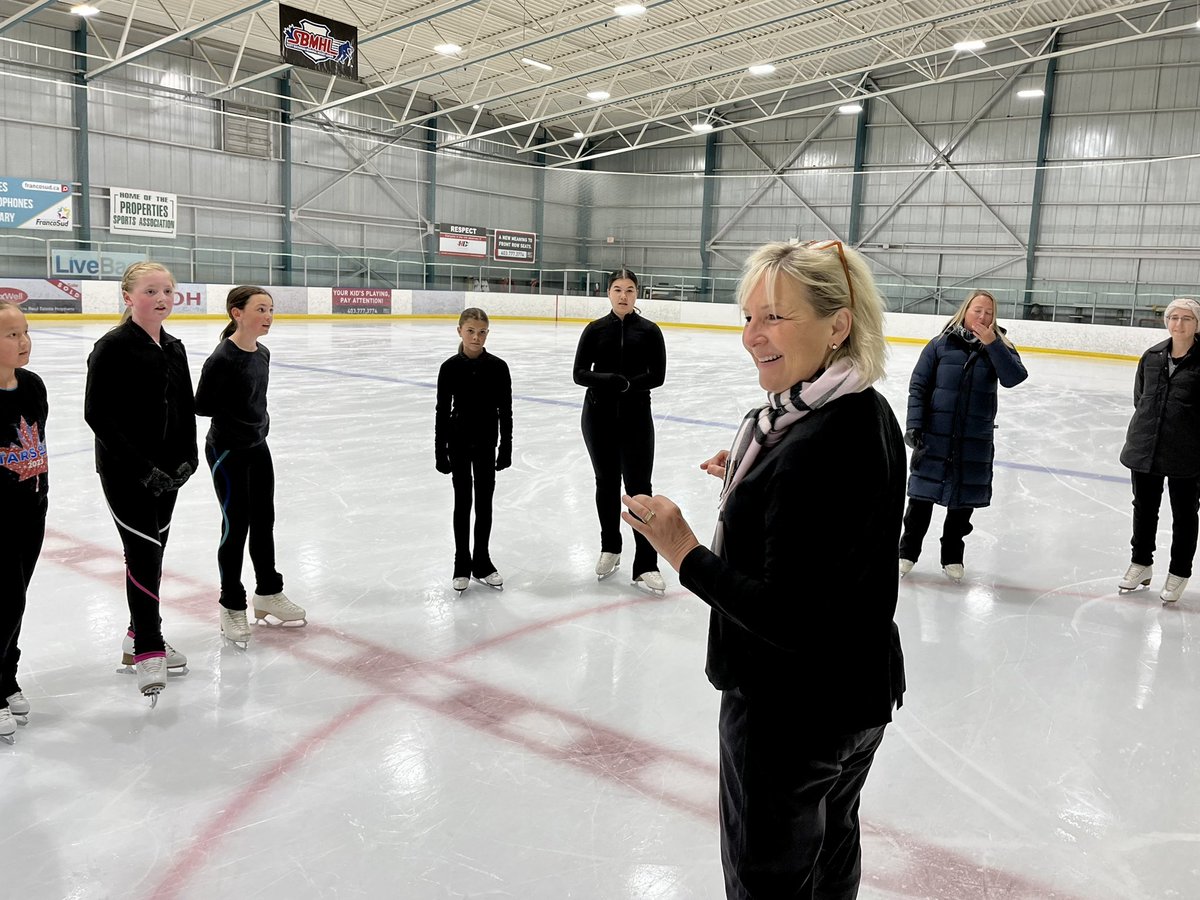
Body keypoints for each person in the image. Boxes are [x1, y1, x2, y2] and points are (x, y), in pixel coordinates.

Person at [619, 240, 906, 899]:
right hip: (855, 697)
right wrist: (757, 484)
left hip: (789, 714)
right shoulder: (861, 410)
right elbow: (838, 527)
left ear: (837, 325)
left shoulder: (814, 442)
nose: (751, 337)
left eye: (774, 316)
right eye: (747, 316)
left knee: (768, 883)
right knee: (831, 858)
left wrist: (683, 549)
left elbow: (791, 617)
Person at [84, 262, 197, 705]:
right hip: (125, 472)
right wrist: (141, 468)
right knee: (144, 553)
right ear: (129, 296)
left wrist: (187, 459)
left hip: (169, 473)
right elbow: (98, 415)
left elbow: (185, 407)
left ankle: (136, 634)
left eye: (168, 290)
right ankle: (149, 645)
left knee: (153, 555)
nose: (162, 298)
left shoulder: (175, 347)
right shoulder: (111, 347)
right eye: (151, 290)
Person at [195, 286, 307, 646]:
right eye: (261, 309)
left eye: (271, 309)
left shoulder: (263, 353)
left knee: (264, 521)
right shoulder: (222, 359)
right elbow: (202, 406)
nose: (268, 316)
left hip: (258, 447)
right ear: (236, 313)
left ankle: (268, 592)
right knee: (236, 525)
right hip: (228, 452)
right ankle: (231, 605)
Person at [898, 289, 1028, 581]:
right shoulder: (940, 345)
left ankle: (952, 556)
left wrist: (993, 345)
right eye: (977, 310)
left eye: (989, 313)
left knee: (962, 504)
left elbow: (1014, 378)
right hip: (935, 435)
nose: (982, 317)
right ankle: (907, 552)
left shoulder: (1000, 347)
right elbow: (919, 386)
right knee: (920, 499)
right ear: (965, 311)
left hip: (974, 439)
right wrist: (914, 426)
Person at [573, 268, 667, 592]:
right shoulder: (595, 330)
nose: (623, 295)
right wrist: (607, 381)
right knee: (607, 483)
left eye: (629, 289)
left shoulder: (650, 331)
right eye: (617, 289)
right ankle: (610, 548)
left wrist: (627, 385)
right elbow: (579, 373)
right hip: (597, 417)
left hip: (637, 419)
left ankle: (646, 563)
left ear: (637, 294)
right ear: (608, 293)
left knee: (640, 489)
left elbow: (658, 375)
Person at [1117, 297, 1200, 604]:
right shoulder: (1152, 356)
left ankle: (1179, 571)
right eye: (1174, 317)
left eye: (1187, 319)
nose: (1178, 324)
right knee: (1144, 507)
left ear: (1197, 324)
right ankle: (1141, 564)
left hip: (1188, 451)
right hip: (1145, 445)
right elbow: (1141, 398)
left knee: (1185, 513)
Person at [435, 308, 513, 592]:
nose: (476, 337)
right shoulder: (449, 368)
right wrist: (439, 450)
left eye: (481, 332)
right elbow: (442, 411)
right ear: (459, 331)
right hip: (458, 443)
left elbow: (506, 410)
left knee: (484, 503)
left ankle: (482, 560)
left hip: (486, 443)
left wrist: (506, 447)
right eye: (470, 331)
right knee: (463, 502)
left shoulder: (498, 367)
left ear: (488, 334)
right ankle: (461, 562)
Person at [0, 301, 48, 744]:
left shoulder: (33, 385)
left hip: (32, 511)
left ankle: (6, 676)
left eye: (25, 331)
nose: (23, 341)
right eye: (11, 334)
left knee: (18, 599)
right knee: (4, 602)